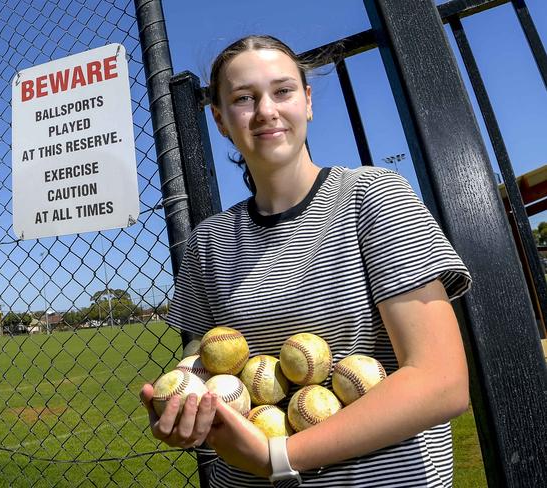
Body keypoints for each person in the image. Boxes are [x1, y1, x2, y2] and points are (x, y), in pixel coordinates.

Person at [141, 34, 472, 487]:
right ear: (219, 119)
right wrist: (186, 406)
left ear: (308, 101)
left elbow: (441, 380)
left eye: (283, 90)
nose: (266, 110)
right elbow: (201, 362)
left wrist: (279, 456)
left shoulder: (371, 197)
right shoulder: (209, 241)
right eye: (243, 98)